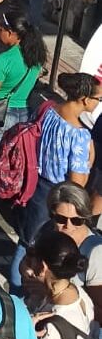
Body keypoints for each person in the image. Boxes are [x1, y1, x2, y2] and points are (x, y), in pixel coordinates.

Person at [10, 72, 101, 289]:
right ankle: (22, 292)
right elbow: (77, 182)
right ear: (85, 99)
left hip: (36, 184)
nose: (98, 104)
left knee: (25, 243)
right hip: (59, 193)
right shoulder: (80, 136)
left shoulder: (49, 110)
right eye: (98, 99)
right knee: (44, 247)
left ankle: (15, 289)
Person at [0, 11, 46, 198]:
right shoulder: (35, 56)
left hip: (1, 113)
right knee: (13, 156)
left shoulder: (4, 59)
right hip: (23, 111)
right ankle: (11, 189)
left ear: (11, 33)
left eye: (0, 28)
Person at [20, 231, 94, 339]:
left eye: (30, 257)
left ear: (42, 267)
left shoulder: (52, 326)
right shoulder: (78, 292)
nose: (27, 261)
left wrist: (25, 334)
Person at [34, 182, 102, 321]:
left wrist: (50, 292)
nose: (68, 226)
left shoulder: (95, 252)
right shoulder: (47, 230)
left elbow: (99, 311)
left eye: (77, 220)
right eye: (60, 219)